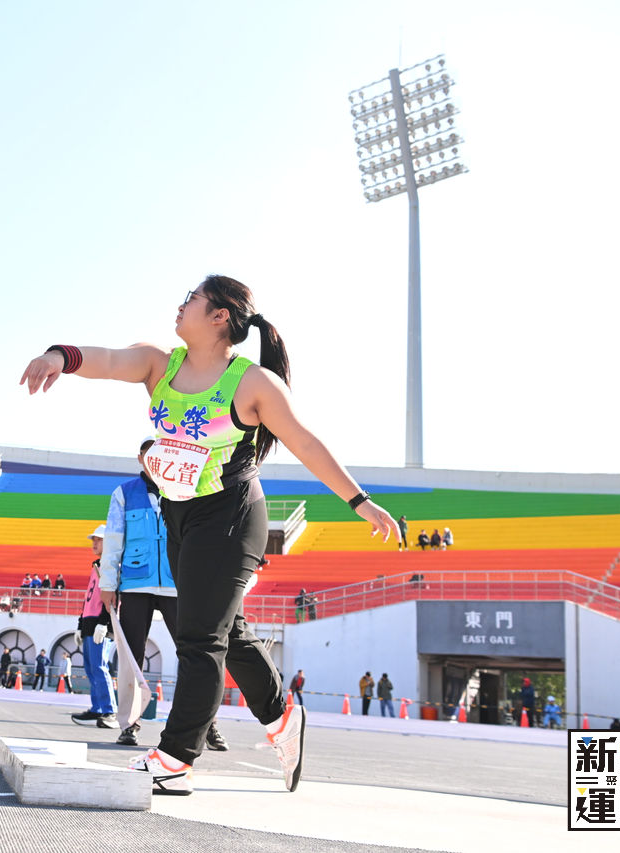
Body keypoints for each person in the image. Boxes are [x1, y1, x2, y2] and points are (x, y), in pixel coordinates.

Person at [20, 274, 397, 795]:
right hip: (180, 515)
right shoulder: (159, 364)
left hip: (232, 516)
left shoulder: (252, 383)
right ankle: (281, 716)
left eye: (191, 300)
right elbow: (105, 359)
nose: (180, 306)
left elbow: (305, 442)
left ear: (220, 316)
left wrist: (359, 501)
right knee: (227, 631)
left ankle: (176, 758)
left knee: (198, 637)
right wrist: (59, 357)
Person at [99, 438, 227, 750]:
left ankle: (206, 724)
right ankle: (129, 724)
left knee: (196, 653)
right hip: (134, 584)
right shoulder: (124, 493)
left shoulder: (186, 488)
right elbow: (114, 538)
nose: (152, 460)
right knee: (131, 657)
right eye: (147, 455)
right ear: (140, 458)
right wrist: (107, 583)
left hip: (178, 584)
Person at [71, 525, 117, 729]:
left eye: (99, 539)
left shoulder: (111, 565)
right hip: (90, 623)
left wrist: (104, 622)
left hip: (100, 624)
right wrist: (80, 624)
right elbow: (89, 598)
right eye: (93, 540)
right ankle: (98, 708)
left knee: (100, 666)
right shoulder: (96, 565)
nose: (94, 543)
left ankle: (109, 711)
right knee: (91, 668)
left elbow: (113, 596)